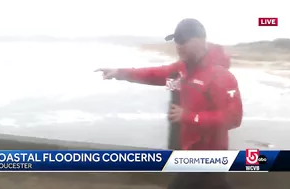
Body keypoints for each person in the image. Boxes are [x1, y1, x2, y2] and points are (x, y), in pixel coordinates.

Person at [96, 18, 243, 189]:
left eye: (183, 40)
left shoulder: (221, 75)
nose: (178, 46)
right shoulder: (181, 69)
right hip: (187, 152)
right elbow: (154, 74)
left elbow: (233, 118)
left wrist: (189, 116)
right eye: (176, 41)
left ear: (201, 40)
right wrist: (120, 73)